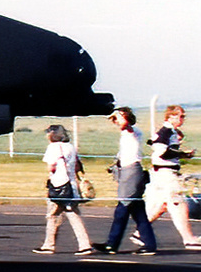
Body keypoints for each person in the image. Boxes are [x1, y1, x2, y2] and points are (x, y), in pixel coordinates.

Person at [99, 107, 156, 256]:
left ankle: (112, 244)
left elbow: (126, 125)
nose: (115, 122)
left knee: (122, 210)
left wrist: (119, 114)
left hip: (132, 171)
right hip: (127, 171)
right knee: (137, 210)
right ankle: (149, 244)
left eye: (117, 118)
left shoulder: (133, 132)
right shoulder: (127, 134)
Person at [144, 105, 201, 251]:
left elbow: (157, 145)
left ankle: (140, 231)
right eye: (180, 116)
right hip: (166, 173)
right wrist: (182, 154)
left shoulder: (170, 132)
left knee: (163, 205)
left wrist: (182, 153)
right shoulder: (167, 131)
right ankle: (189, 239)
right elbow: (162, 152)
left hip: (165, 172)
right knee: (179, 204)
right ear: (170, 117)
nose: (182, 119)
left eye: (183, 116)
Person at [33, 125, 93, 255]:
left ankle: (49, 245)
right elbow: (77, 166)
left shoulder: (53, 148)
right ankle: (85, 244)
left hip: (58, 185)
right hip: (71, 186)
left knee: (52, 215)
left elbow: (51, 167)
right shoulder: (70, 147)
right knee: (73, 214)